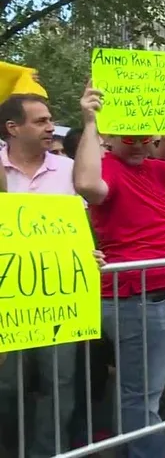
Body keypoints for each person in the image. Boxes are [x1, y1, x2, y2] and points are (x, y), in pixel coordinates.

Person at [73, 84, 165, 458]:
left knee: (140, 391)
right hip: (137, 298)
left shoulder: (154, 169)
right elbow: (87, 185)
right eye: (129, 136)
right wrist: (89, 122)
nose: (139, 144)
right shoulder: (107, 167)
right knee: (142, 394)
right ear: (110, 135)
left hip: (160, 294)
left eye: (146, 136)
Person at [0, 93, 79, 457]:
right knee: (7, 385)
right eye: (41, 121)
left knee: (58, 384)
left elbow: (83, 225)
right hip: (8, 301)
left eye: (50, 119)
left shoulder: (70, 170)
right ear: (12, 128)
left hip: (60, 297)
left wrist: (87, 251)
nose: (51, 127)